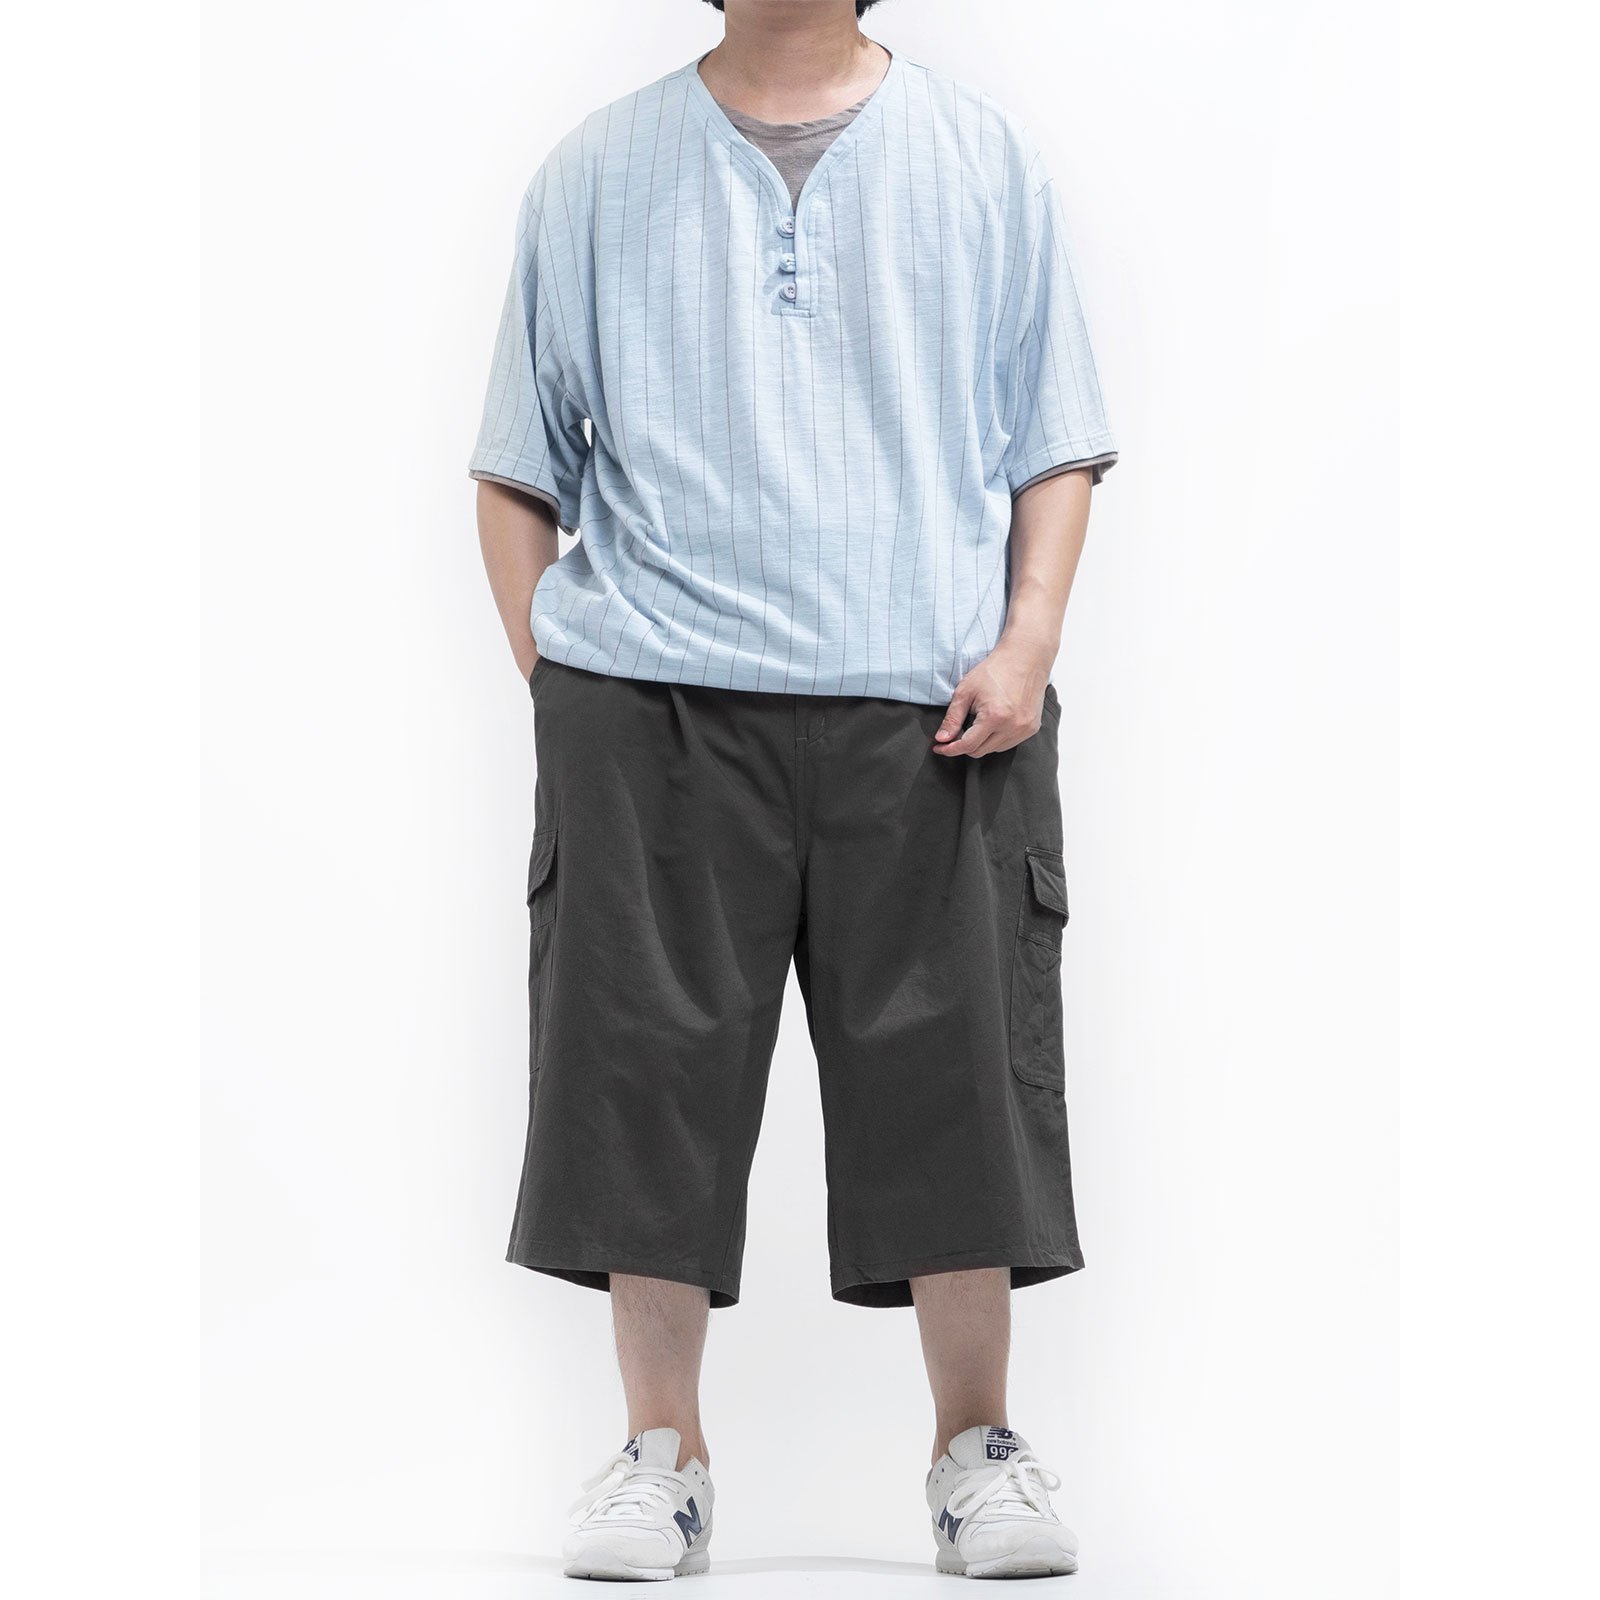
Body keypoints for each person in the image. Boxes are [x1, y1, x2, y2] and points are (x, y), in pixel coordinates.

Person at [470, 0, 1117, 1580]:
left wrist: (1030, 640)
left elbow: (1054, 438)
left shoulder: (980, 159)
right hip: (658, 709)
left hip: (932, 702)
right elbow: (514, 463)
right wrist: (567, 690)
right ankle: (660, 1456)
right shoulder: (598, 170)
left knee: (957, 1081)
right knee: (644, 1079)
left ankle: (977, 1452)